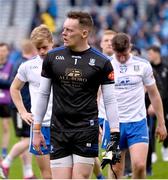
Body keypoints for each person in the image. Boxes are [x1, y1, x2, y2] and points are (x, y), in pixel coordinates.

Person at [32, 11, 120, 179]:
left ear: (84, 33)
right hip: (58, 130)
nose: (63, 33)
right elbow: (43, 94)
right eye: (64, 29)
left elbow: (109, 100)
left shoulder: (102, 62)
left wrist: (115, 134)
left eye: (69, 30)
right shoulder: (52, 58)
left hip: (86, 130)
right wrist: (36, 130)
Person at [107, 33, 167, 179]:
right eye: (118, 54)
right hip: (113, 124)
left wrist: (161, 123)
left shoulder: (143, 65)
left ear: (130, 48)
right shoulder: (106, 65)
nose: (121, 58)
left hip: (137, 123)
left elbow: (154, 93)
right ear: (112, 49)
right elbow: (97, 95)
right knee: (115, 167)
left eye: (125, 54)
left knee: (140, 166)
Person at [9, 25, 53, 179]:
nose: (42, 51)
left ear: (52, 42)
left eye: (45, 47)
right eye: (38, 48)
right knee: (47, 175)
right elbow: (14, 88)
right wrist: (22, 111)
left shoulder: (63, 63)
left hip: (63, 125)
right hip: (40, 127)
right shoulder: (27, 66)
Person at [0, 40, 37, 179]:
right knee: (28, 140)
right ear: (33, 49)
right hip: (20, 108)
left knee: (26, 139)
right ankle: (6, 162)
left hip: (26, 108)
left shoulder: (24, 63)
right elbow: (12, 85)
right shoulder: (23, 64)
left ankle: (27, 173)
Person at [147, 45, 168, 162]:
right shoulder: (148, 68)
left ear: (157, 53)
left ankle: (165, 148)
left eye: (150, 53)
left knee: (166, 125)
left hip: (166, 102)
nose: (149, 56)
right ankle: (153, 152)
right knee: (151, 127)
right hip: (151, 104)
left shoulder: (166, 67)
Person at [0, 43, 13, 159]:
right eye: (0, 51)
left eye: (4, 51)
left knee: (5, 126)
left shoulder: (10, 66)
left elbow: (11, 83)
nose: (1, 53)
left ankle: (4, 150)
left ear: (7, 52)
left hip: (5, 101)